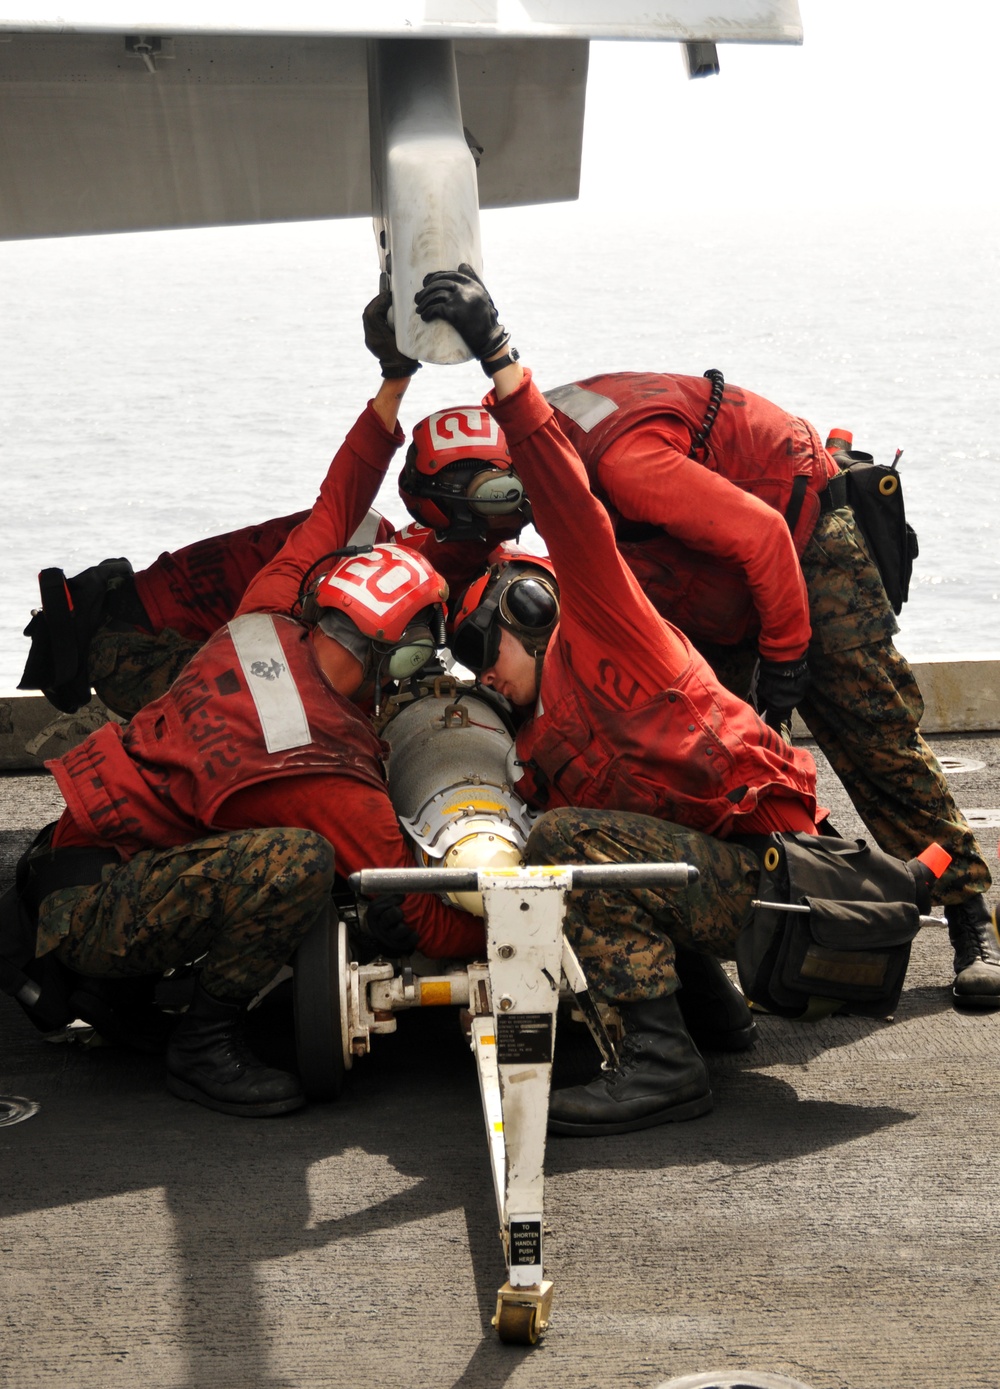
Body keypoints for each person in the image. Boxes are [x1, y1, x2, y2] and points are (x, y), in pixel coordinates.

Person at [1, 302, 486, 1117]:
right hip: (90, 911)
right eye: (411, 657)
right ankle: (203, 1046)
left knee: (259, 852)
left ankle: (118, 996)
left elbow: (336, 504)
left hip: (72, 853)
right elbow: (426, 924)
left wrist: (394, 381)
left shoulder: (264, 614)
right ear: (381, 654)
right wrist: (530, 917)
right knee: (297, 865)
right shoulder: (327, 772)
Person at [412, 265, 832, 1132]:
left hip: (780, 875)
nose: (483, 676)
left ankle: (662, 1062)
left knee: (571, 842)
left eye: (483, 651)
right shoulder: (544, 731)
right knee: (568, 833)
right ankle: (711, 1015)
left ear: (527, 613)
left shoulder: (603, 618)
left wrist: (499, 357)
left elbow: (566, 501)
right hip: (727, 881)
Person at [538, 369, 996, 1009]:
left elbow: (764, 537)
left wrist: (783, 666)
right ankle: (810, 923)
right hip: (710, 575)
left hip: (803, 536)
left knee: (874, 737)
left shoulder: (621, 462)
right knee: (708, 764)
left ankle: (968, 915)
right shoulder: (545, 450)